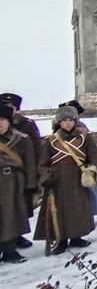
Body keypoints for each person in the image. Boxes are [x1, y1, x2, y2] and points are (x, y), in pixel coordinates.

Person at [34, 105, 97, 255]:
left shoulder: (85, 137)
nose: (67, 123)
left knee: (78, 209)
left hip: (78, 179)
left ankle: (76, 237)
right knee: (59, 211)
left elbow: (95, 156)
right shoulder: (51, 141)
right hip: (57, 181)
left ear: (75, 121)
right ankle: (61, 240)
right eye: (64, 120)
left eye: (70, 120)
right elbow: (43, 163)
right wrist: (46, 177)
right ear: (59, 122)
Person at [0, 92, 41, 250]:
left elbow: (33, 153)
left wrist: (32, 181)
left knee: (16, 211)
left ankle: (14, 239)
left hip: (16, 179)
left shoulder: (25, 128)